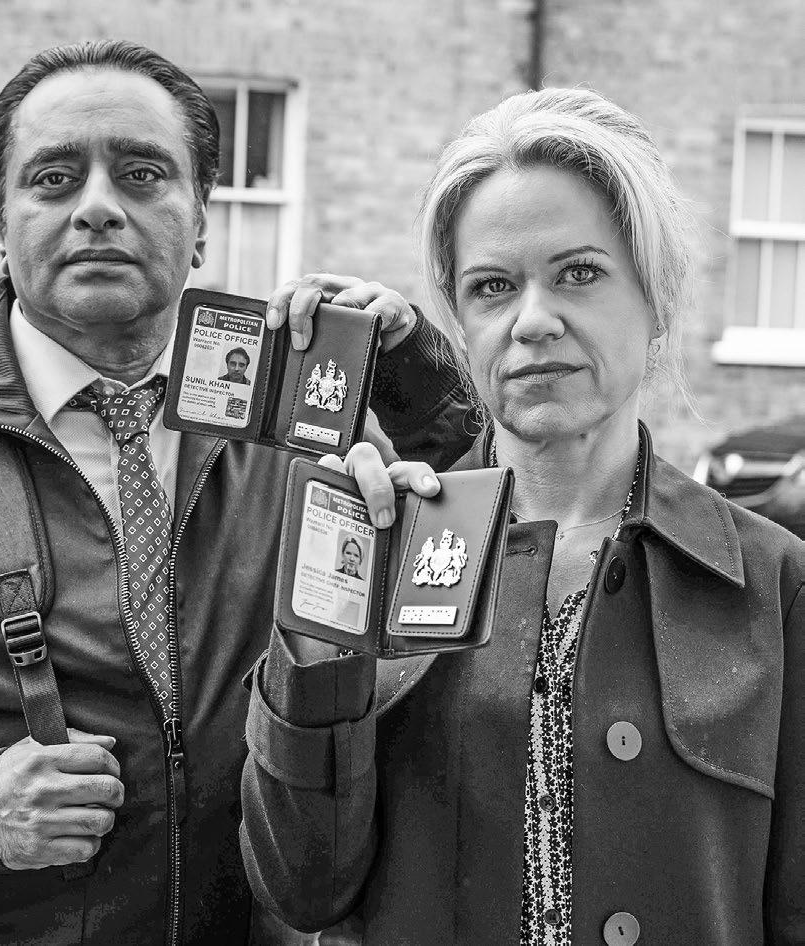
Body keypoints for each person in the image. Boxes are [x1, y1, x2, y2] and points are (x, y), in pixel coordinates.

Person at [0, 40, 467, 945]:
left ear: (202, 218)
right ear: (0, 219)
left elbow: (501, 534)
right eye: (54, 179)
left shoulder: (294, 445)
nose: (98, 207)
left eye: (142, 175)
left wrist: (410, 369)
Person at [241, 88, 805, 945]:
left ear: (656, 297)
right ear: (462, 323)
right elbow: (300, 887)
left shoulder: (775, 584)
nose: (533, 321)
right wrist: (322, 640)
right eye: (493, 287)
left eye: (579, 273)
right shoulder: (375, 555)